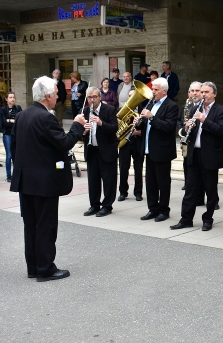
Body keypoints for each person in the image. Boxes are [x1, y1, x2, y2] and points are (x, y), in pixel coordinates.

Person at [10, 76, 86, 282]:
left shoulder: (22, 115)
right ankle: (46, 268)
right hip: (44, 182)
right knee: (46, 225)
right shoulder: (46, 118)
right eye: (57, 93)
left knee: (31, 225)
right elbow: (64, 143)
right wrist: (78, 125)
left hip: (26, 180)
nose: (59, 96)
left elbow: (14, 149)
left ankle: (33, 267)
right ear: (48, 96)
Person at [171, 82, 223, 230]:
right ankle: (186, 219)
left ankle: (208, 219)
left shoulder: (221, 111)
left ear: (214, 94)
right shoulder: (193, 108)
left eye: (206, 92)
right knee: (190, 189)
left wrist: (204, 120)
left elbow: (222, 131)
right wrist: (186, 128)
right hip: (194, 154)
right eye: (202, 92)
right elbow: (187, 133)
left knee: (210, 190)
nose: (203, 95)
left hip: (210, 155)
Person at [137, 78, 178, 222]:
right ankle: (152, 209)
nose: (152, 92)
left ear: (164, 91)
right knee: (150, 182)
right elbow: (147, 126)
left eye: (155, 89)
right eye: (152, 89)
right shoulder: (151, 104)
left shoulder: (171, 106)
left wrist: (151, 118)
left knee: (163, 183)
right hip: (149, 149)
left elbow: (168, 127)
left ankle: (164, 210)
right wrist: (139, 123)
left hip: (162, 151)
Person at [81, 87, 119, 217]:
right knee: (93, 180)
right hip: (92, 150)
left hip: (107, 150)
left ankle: (107, 206)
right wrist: (84, 132)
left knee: (108, 180)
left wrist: (101, 123)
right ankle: (94, 205)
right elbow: (79, 133)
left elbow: (114, 128)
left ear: (100, 97)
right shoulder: (85, 111)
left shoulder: (109, 110)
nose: (92, 100)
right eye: (89, 98)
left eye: (95, 97)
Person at [118, 90, 145, 202]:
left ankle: (138, 193)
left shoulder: (143, 112)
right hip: (125, 143)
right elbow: (117, 126)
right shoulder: (122, 110)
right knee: (123, 168)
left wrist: (139, 132)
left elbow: (148, 129)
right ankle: (123, 192)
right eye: (129, 96)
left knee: (138, 169)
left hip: (138, 143)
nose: (131, 98)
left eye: (133, 96)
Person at [179, 81, 203, 190]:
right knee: (187, 163)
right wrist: (183, 130)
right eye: (192, 91)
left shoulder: (204, 106)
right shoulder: (186, 107)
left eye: (197, 91)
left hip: (201, 144)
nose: (194, 93)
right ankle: (187, 183)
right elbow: (179, 121)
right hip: (188, 140)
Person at [0, 92, 22, 182]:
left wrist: (10, 120)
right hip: (8, 134)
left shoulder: (18, 108)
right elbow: (3, 122)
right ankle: (9, 175)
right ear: (6, 99)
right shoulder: (3, 109)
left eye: (13, 97)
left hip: (17, 134)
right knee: (9, 155)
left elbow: (20, 120)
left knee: (17, 155)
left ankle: (16, 174)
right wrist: (12, 121)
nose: (12, 99)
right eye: (10, 97)